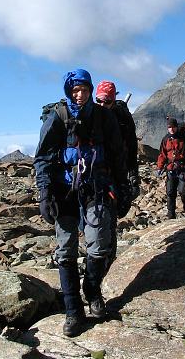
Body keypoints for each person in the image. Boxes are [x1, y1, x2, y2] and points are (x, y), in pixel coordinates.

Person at [34, 69, 126, 337]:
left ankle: (92, 290)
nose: (80, 94)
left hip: (96, 188)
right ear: (68, 91)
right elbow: (43, 157)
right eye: (75, 90)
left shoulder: (103, 117)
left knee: (99, 246)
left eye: (84, 90)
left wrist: (122, 188)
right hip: (64, 192)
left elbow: (117, 154)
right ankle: (73, 311)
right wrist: (45, 193)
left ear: (90, 90)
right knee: (66, 251)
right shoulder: (58, 117)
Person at [95, 79, 138, 269]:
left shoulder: (123, 120)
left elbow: (131, 149)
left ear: (113, 100)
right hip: (91, 176)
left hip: (114, 175)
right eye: (99, 100)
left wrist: (133, 177)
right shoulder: (89, 115)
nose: (102, 105)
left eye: (107, 101)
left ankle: (107, 265)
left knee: (110, 220)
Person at [156, 117, 185, 219]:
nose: (172, 129)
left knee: (184, 192)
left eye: (173, 127)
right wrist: (159, 167)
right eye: (169, 127)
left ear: (176, 127)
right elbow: (162, 154)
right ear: (167, 128)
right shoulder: (165, 139)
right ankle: (171, 215)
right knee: (170, 192)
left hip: (183, 168)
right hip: (170, 169)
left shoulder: (184, 138)